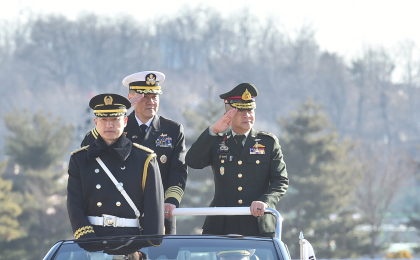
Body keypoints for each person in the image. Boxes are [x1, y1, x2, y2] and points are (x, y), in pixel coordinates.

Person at [81, 71, 188, 234]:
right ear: (131, 97)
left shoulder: (173, 130)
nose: (150, 102)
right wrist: (119, 112)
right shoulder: (117, 126)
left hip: (160, 211)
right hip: (123, 213)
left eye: (154, 97)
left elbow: (178, 170)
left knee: (162, 257)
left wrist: (171, 201)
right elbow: (87, 147)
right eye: (145, 97)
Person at [185, 83, 289, 237]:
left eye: (250, 110)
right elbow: (192, 161)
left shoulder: (268, 142)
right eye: (241, 111)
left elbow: (280, 180)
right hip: (222, 224)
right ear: (229, 114)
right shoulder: (217, 141)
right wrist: (213, 131)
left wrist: (265, 201)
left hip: (258, 223)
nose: (247, 115)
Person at [66, 93, 164, 239]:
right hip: (91, 238)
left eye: (115, 119)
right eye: (104, 120)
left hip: (131, 239)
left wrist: (147, 245)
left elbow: (153, 207)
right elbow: (74, 204)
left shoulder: (145, 159)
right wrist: (87, 239)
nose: (109, 125)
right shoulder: (79, 159)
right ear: (96, 122)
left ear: (125, 121)